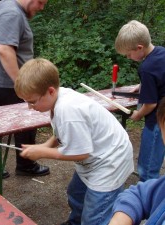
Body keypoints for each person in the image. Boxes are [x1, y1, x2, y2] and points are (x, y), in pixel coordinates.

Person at [14, 58, 134, 225]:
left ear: (50, 91)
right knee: (76, 193)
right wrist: (46, 145)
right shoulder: (58, 98)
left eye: (32, 101)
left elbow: (80, 153)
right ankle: (75, 222)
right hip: (96, 157)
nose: (30, 107)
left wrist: (42, 152)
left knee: (96, 216)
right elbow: (61, 133)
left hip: (110, 162)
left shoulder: (67, 110)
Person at [0, 0, 50, 180]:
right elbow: (4, 49)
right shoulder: (13, 14)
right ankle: (25, 164)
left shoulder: (5, 4)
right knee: (26, 120)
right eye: (40, 2)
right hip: (4, 82)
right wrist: (21, 85)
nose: (41, 7)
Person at [115, 20, 165, 182]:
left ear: (139, 48)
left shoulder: (147, 68)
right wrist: (142, 84)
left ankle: (147, 195)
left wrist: (138, 114)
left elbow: (150, 104)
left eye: (129, 54)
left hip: (157, 121)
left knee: (148, 165)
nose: (129, 58)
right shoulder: (161, 52)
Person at [108, 97, 165, 225]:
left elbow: (150, 103)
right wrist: (123, 215)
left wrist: (138, 114)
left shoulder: (149, 75)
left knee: (147, 169)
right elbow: (141, 194)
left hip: (151, 124)